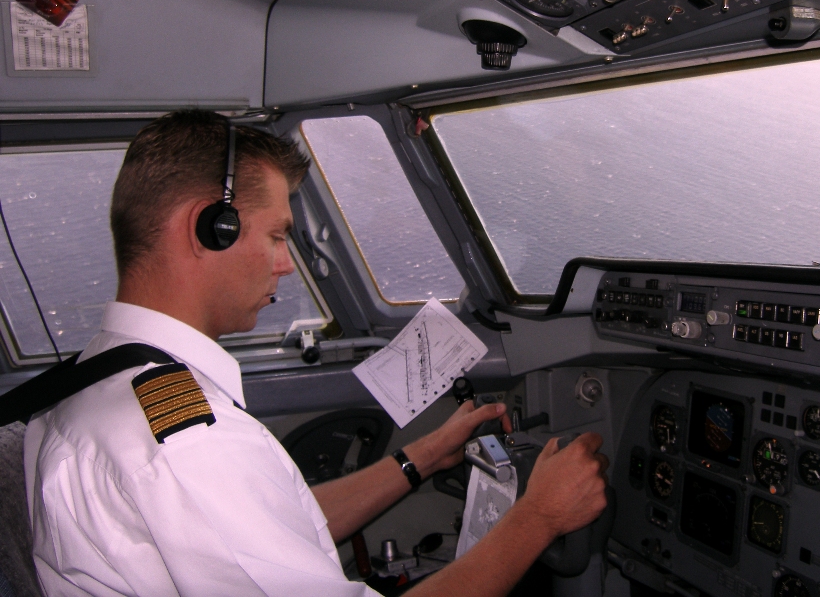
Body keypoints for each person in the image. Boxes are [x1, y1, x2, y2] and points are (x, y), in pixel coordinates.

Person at [23, 110, 609, 597]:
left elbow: (267, 537)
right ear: (207, 228)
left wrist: (422, 458)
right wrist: (539, 518)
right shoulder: (190, 445)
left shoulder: (94, 377)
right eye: (277, 235)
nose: (285, 262)